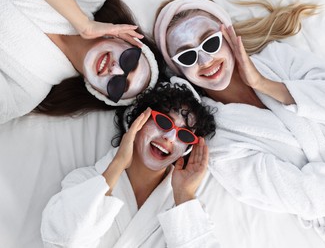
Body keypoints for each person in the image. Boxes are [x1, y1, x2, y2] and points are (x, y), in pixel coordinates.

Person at [153, 0, 325, 247]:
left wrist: (264, 84)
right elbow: (304, 195)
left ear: (228, 35)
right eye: (187, 56)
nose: (205, 60)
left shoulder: (277, 58)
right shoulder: (219, 141)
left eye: (210, 42)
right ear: (178, 71)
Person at [40, 78, 219, 247]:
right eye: (164, 122)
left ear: (187, 148)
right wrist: (118, 163)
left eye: (184, 134)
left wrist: (184, 194)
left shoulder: (184, 208)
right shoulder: (83, 182)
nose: (170, 137)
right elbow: (61, 241)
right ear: (137, 121)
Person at [0, 0, 163, 123]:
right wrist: (83, 23)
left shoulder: (27, 95)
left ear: (98, 92)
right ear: (125, 38)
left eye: (118, 86)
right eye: (129, 61)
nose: (115, 70)